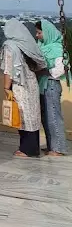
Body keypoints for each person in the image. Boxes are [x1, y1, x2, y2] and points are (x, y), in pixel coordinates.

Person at [1, 20, 47, 158]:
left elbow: (8, 69)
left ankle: (26, 149)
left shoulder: (10, 46)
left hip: (19, 85)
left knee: (22, 117)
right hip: (32, 83)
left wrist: (6, 87)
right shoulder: (27, 44)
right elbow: (40, 64)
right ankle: (33, 148)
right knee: (32, 116)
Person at [35, 19, 68, 156]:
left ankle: (58, 148)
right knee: (45, 117)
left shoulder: (56, 47)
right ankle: (51, 145)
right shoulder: (42, 46)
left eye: (39, 32)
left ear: (47, 32)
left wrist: (43, 70)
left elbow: (60, 70)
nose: (37, 35)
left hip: (51, 84)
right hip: (43, 85)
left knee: (53, 116)